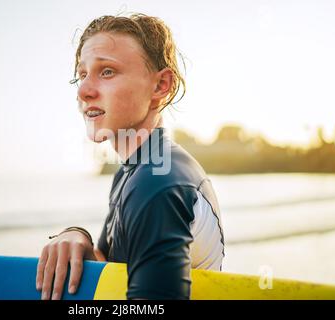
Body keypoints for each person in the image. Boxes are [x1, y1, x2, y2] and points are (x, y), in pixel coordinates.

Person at [35, 13, 224, 300]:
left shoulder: (156, 183)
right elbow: (116, 270)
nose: (84, 91)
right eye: (82, 74)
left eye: (107, 71)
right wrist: (77, 236)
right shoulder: (136, 170)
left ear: (161, 86)